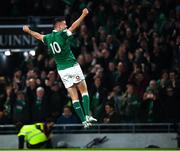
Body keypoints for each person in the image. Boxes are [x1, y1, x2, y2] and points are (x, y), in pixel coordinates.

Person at [22, 8, 97, 128]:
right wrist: (83, 15)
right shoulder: (61, 34)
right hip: (72, 66)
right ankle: (87, 114)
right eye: (64, 24)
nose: (66, 25)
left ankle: (83, 121)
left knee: (74, 97)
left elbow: (38, 36)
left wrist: (28, 30)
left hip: (62, 71)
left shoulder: (48, 38)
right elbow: (73, 27)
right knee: (84, 91)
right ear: (58, 25)